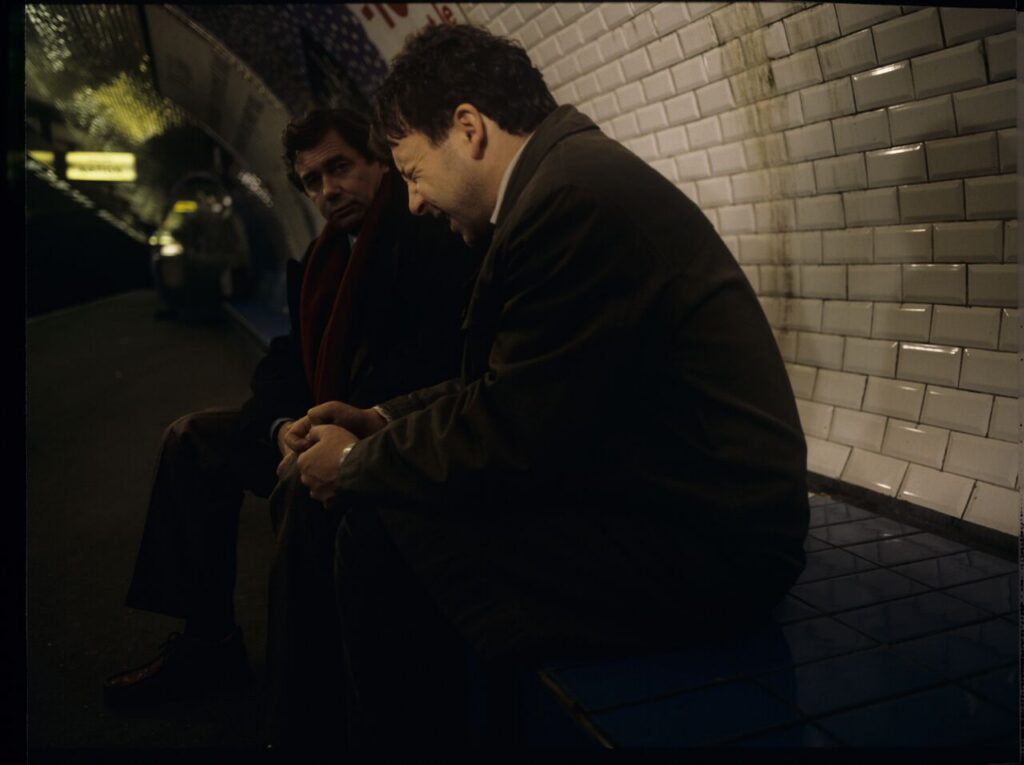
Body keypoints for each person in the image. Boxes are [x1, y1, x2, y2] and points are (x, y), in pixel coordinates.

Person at [287, 23, 810, 748]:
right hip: (670, 492)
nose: (412, 202)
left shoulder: (568, 206)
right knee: (396, 505)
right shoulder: (563, 184)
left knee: (385, 528)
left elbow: (511, 431)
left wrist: (353, 464)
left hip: (712, 544)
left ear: (468, 129)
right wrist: (379, 418)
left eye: (410, 173)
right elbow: (511, 388)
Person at [102, 106, 480, 717]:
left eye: (341, 167)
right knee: (192, 439)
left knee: (302, 490)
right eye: (312, 180)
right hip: (310, 422)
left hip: (384, 433)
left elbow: (435, 369)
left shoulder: (432, 241)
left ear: (380, 163)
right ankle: (209, 644)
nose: (329, 189)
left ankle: (303, 705)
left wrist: (322, 431)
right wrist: (279, 427)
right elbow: (283, 365)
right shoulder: (325, 257)